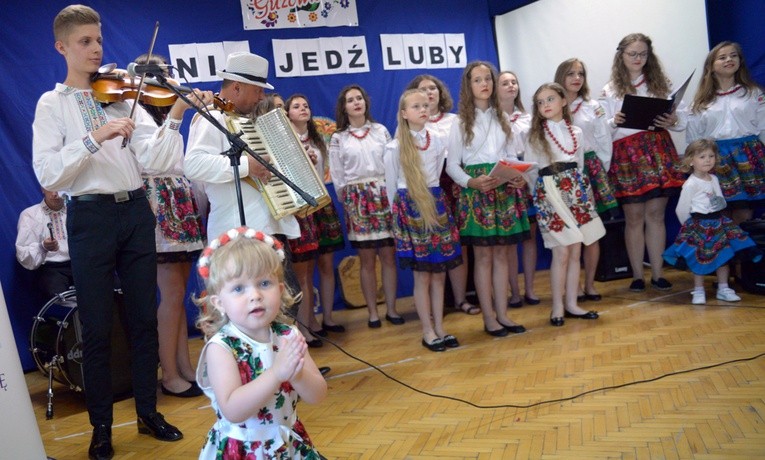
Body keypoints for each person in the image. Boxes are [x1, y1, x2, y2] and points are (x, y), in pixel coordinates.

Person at [32, 5, 213, 458]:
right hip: (89, 218)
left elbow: (157, 160)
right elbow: (49, 172)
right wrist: (96, 137)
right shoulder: (52, 104)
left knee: (142, 320)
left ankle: (149, 413)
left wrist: (173, 116)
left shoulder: (117, 95)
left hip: (135, 211)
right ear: (62, 47)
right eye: (84, 42)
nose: (96, 49)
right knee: (95, 326)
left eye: (98, 40)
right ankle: (101, 427)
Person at [195, 227, 327, 459]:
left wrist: (296, 375)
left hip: (287, 445)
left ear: (281, 289)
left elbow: (318, 395)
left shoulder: (288, 335)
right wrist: (277, 373)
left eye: (264, 283)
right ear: (219, 302)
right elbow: (233, 409)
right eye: (238, 288)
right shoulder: (221, 347)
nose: (255, 295)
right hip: (244, 449)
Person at [133, 53, 206, 398]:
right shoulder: (137, 111)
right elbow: (155, 158)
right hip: (157, 198)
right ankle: (169, 373)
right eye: (157, 73)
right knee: (171, 293)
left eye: (166, 72)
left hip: (179, 195)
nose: (164, 78)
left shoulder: (163, 110)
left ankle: (184, 364)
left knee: (179, 292)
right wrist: (179, 108)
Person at [445, 61, 529, 337]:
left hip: (502, 187)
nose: (484, 84)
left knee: (503, 255)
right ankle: (489, 318)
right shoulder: (459, 123)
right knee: (483, 258)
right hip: (477, 190)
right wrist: (470, 182)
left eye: (488, 79)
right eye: (477, 80)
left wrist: (517, 175)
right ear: (468, 87)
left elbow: (512, 155)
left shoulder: (503, 118)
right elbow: (452, 165)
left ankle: (503, 313)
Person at [599, 33, 686, 292]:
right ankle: (637, 275)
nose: (638, 59)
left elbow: (681, 120)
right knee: (634, 217)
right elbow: (602, 132)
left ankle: (658, 274)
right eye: (632, 54)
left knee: (656, 215)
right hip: (627, 153)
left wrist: (673, 121)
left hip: (657, 148)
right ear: (621, 56)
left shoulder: (662, 84)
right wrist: (613, 121)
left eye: (643, 54)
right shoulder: (610, 89)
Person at [384, 89, 463, 352]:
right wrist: (402, 219)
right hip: (411, 208)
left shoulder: (439, 139)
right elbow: (392, 188)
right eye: (416, 106)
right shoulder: (395, 147)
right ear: (404, 114)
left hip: (435, 204)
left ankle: (440, 327)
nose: (423, 109)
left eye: (426, 105)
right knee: (423, 277)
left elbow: (442, 171)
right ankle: (427, 331)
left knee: (439, 275)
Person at [525, 83, 605, 326]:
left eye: (550, 99)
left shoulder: (576, 132)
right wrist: (541, 198)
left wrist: (582, 196)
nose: (545, 105)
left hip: (576, 191)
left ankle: (572, 303)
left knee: (575, 250)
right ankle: (557, 307)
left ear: (563, 101)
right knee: (561, 251)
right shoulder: (534, 135)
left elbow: (579, 165)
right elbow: (531, 170)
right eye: (540, 102)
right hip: (550, 192)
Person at [328, 84, 403, 328]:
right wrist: (349, 201)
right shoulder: (339, 138)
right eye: (351, 100)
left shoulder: (380, 131)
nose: (356, 102)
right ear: (344, 107)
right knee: (366, 259)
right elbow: (338, 176)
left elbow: (393, 164)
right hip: (358, 199)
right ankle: (372, 312)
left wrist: (391, 193)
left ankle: (391, 308)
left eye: (359, 98)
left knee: (388, 257)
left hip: (383, 194)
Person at [406, 75, 479, 316]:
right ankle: (436, 305)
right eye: (422, 90)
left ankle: (461, 299)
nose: (429, 93)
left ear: (440, 92)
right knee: (429, 248)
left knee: (458, 245)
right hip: (426, 189)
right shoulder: (409, 127)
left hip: (455, 183)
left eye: (433, 88)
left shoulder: (455, 120)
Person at [663, 139, 762, 304]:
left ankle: (723, 288)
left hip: (718, 223)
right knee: (699, 258)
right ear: (690, 161)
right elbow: (681, 209)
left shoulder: (714, 179)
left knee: (723, 256)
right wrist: (690, 228)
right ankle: (699, 290)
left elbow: (720, 200)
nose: (708, 160)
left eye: (711, 156)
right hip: (699, 225)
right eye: (702, 157)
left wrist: (719, 203)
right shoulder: (690, 184)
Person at [554, 58, 618, 302]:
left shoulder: (592, 106)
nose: (576, 78)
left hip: (589, 170)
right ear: (561, 76)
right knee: (569, 235)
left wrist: (601, 168)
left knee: (591, 232)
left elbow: (603, 138)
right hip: (561, 174)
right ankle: (571, 286)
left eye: (581, 73)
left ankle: (589, 284)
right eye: (570, 73)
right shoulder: (551, 105)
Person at [285, 94, 346, 338]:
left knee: (325, 265)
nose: (303, 109)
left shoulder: (319, 139)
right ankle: (307, 324)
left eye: (306, 105)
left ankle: (327, 318)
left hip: (321, 204)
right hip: (302, 206)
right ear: (287, 113)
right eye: (296, 106)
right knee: (305, 271)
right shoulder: (286, 142)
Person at [687, 41, 765, 225]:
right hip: (715, 157)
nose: (729, 59)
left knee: (743, 209)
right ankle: (725, 250)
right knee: (718, 210)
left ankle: (743, 250)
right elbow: (694, 137)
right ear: (711, 66)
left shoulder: (753, 93)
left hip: (747, 155)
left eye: (733, 56)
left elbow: (763, 127)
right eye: (722, 57)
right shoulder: (701, 100)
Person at [497, 70, 540, 308]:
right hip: (506, 180)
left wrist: (525, 175)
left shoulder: (528, 117)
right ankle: (514, 292)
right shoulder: (492, 119)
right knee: (511, 240)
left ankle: (530, 289)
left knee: (530, 237)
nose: (511, 86)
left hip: (526, 179)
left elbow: (534, 148)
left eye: (514, 81)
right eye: (505, 83)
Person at [15, 188, 74, 299]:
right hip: (51, 268)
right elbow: (22, 254)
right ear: (43, 189)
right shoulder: (30, 215)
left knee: (109, 286)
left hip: (79, 264)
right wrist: (42, 247)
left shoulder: (75, 212)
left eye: (59, 189)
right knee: (59, 296)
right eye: (50, 189)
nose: (54, 194)